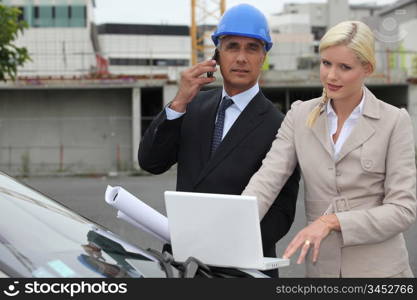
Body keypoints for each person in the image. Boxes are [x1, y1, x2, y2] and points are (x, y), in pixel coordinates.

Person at [243, 20, 416, 277]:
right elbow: (267, 180)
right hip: (321, 271)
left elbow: (403, 210)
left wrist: (332, 222)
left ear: (367, 68)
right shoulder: (299, 115)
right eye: (326, 63)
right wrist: (234, 225)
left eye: (344, 67)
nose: (331, 76)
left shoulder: (395, 121)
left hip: (382, 273)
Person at [138, 4, 300, 277]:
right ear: (217, 53)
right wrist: (178, 103)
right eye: (232, 46)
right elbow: (151, 162)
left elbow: (282, 213)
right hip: (185, 266)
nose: (241, 58)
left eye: (252, 48)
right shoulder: (192, 105)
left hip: (242, 271)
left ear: (264, 56)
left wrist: (222, 241)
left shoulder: (280, 125)